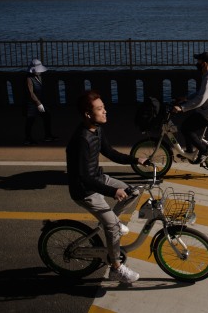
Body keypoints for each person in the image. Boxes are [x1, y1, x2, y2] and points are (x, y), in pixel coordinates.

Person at [66, 89, 147, 284]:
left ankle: (113, 222)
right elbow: (84, 178)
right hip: (84, 190)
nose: (105, 111)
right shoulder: (81, 140)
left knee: (133, 191)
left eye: (104, 107)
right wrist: (113, 191)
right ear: (88, 114)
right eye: (100, 109)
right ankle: (116, 268)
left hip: (98, 179)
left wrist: (135, 159)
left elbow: (110, 152)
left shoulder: (97, 129)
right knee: (111, 227)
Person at [172, 52, 208, 164]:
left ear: (204, 64)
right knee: (186, 125)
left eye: (198, 62)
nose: (196, 64)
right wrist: (186, 98)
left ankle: (204, 151)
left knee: (186, 129)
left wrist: (182, 107)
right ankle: (190, 152)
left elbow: (200, 100)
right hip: (206, 111)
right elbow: (200, 93)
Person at [24, 58, 58, 145]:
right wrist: (38, 103)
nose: (39, 72)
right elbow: (30, 93)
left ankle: (48, 136)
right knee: (30, 120)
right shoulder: (28, 78)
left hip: (41, 102)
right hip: (32, 104)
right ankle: (27, 139)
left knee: (47, 117)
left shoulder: (40, 76)